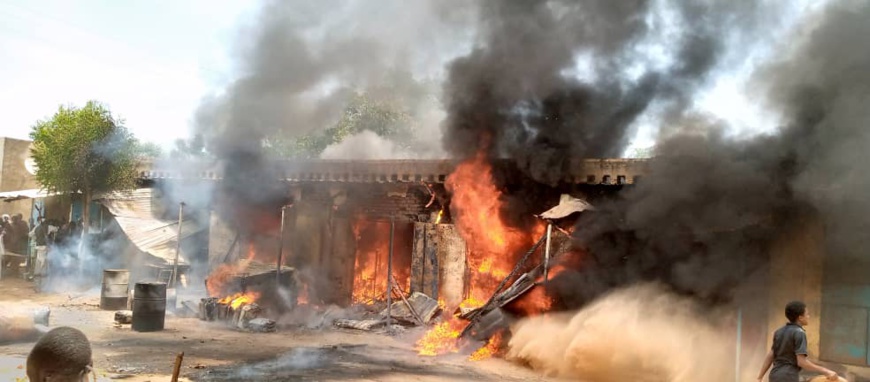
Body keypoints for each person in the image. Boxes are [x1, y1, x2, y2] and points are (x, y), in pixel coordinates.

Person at [756, 301, 839, 382]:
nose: (809, 316)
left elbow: (770, 356)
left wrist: (760, 377)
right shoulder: (799, 333)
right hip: (788, 377)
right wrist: (826, 371)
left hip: (774, 376)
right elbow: (802, 362)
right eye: (807, 314)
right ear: (800, 317)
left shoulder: (778, 332)